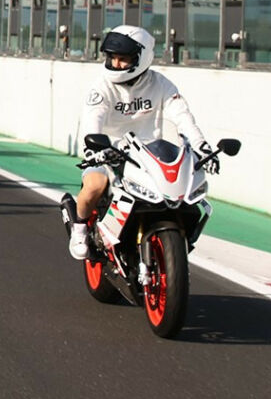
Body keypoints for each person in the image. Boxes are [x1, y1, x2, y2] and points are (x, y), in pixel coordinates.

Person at [65, 26, 209, 260]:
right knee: (94, 184)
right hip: (106, 150)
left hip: (148, 154)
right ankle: (79, 228)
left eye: (123, 59)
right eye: (113, 58)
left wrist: (201, 145)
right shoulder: (101, 87)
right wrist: (94, 149)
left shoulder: (162, 84)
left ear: (142, 58)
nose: (117, 64)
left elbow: (182, 116)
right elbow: (93, 119)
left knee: (174, 194)